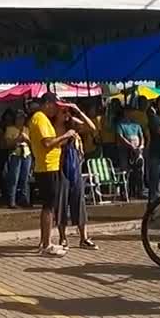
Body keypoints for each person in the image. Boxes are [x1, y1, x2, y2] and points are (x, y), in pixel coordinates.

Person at [29, 93, 77, 257]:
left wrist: (67, 138)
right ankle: (47, 244)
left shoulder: (43, 119)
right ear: (47, 103)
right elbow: (47, 143)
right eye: (55, 105)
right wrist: (65, 135)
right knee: (48, 207)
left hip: (51, 167)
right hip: (46, 168)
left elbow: (51, 143)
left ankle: (45, 241)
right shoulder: (40, 118)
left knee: (50, 206)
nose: (56, 109)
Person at [56, 103, 97, 250]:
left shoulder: (74, 125)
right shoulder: (57, 127)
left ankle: (84, 237)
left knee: (79, 203)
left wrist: (78, 111)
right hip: (62, 168)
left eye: (68, 112)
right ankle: (63, 237)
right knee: (61, 204)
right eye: (64, 112)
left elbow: (92, 127)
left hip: (76, 168)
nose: (66, 115)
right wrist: (66, 135)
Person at [1, 110, 32, 208]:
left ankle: (24, 199)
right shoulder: (10, 129)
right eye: (19, 118)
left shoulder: (27, 129)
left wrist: (27, 139)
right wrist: (17, 139)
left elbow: (32, 143)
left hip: (26, 155)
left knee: (25, 178)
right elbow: (7, 144)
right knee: (14, 178)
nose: (21, 120)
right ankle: (12, 201)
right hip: (15, 154)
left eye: (22, 118)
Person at [115, 106, 146, 199]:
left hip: (137, 150)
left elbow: (142, 137)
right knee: (125, 171)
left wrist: (140, 146)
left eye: (131, 112)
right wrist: (131, 146)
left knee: (139, 171)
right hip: (125, 150)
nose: (129, 114)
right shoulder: (120, 124)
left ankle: (139, 191)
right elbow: (120, 137)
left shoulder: (136, 124)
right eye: (127, 112)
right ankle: (124, 192)